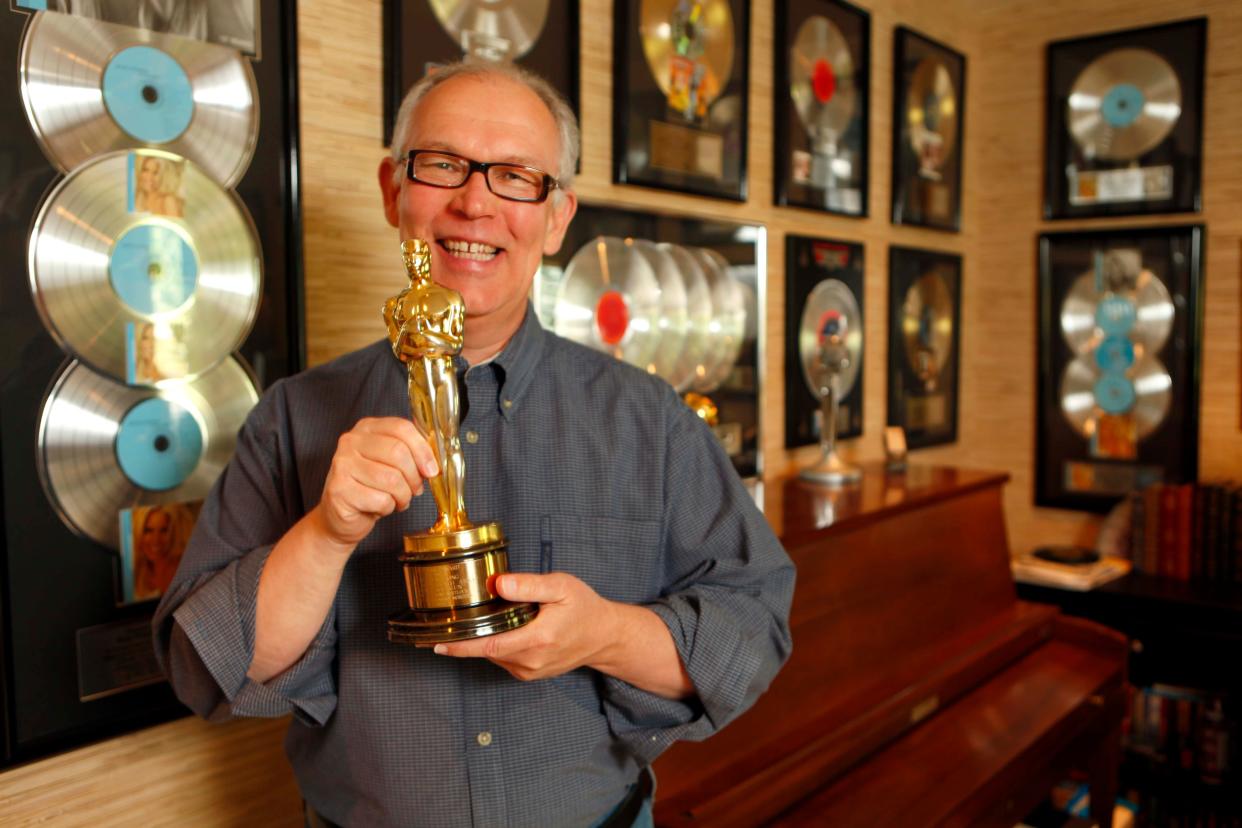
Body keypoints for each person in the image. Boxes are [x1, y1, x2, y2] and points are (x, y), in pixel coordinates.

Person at [153, 61, 794, 828]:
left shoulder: (648, 420)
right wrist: (327, 535)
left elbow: (751, 633)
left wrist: (604, 633)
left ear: (557, 217)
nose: (476, 201)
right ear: (395, 191)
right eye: (444, 164)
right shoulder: (294, 417)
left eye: (517, 176)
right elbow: (207, 668)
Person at [132, 503, 195, 601]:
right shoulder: (136, 571)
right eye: (148, 530)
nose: (156, 540)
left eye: (164, 530)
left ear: (175, 533)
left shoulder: (185, 568)